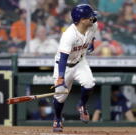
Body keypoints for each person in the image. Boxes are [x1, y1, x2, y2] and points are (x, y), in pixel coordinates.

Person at [52, 4, 97, 132]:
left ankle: (82, 105)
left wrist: (92, 43)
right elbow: (63, 58)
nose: (93, 18)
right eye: (90, 17)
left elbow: (92, 34)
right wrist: (60, 77)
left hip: (80, 62)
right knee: (60, 97)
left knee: (89, 83)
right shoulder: (69, 35)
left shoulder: (93, 25)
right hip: (64, 65)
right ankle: (57, 119)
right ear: (82, 20)